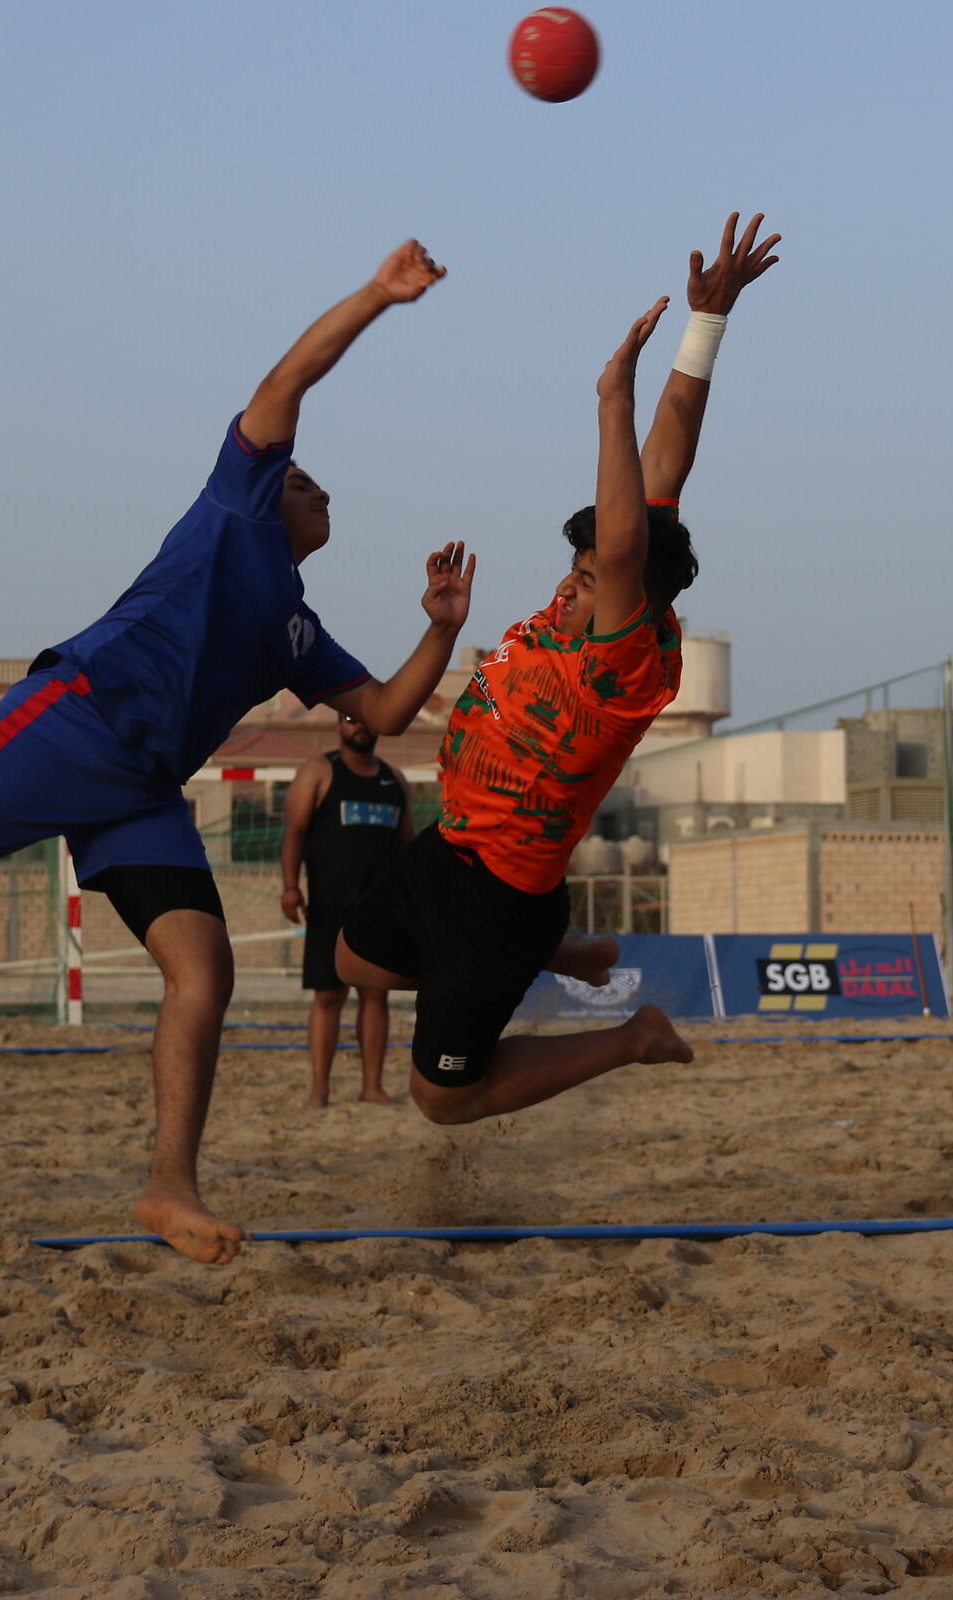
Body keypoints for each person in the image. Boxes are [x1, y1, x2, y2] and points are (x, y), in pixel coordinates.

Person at [0, 240, 473, 1264]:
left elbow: (387, 709)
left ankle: (170, 1184)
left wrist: (440, 628)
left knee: (204, 971)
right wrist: (378, 296)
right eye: (304, 481)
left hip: (141, 790)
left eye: (319, 487)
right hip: (70, 724)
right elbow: (286, 383)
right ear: (270, 488)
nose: (320, 492)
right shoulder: (233, 509)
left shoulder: (296, 629)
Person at [338, 213, 780, 1125]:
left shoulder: (626, 660)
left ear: (633, 594)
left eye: (591, 577)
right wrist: (707, 323)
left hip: (499, 895)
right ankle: (556, 953)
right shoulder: (594, 593)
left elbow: (622, 545)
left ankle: (632, 1035)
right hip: (453, 845)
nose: (571, 584)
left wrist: (612, 399)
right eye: (575, 573)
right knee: (353, 961)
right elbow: (667, 461)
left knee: (442, 1100)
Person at [280, 714, 412, 1107]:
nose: (359, 726)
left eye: (366, 720)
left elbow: (407, 846)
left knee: (376, 996)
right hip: (330, 905)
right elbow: (295, 832)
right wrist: (290, 887)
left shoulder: (395, 779)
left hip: (381, 911)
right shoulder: (318, 772)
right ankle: (320, 1090)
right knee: (327, 997)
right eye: (351, 719)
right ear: (338, 726)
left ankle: (372, 1088)